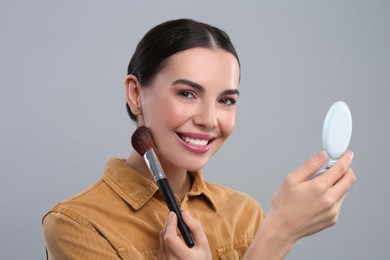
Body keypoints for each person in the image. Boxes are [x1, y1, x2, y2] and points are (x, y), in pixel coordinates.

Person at [42, 18, 356, 259]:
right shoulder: (77, 224)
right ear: (135, 94)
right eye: (187, 93)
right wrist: (279, 233)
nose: (208, 119)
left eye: (226, 100)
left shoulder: (243, 214)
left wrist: (274, 229)